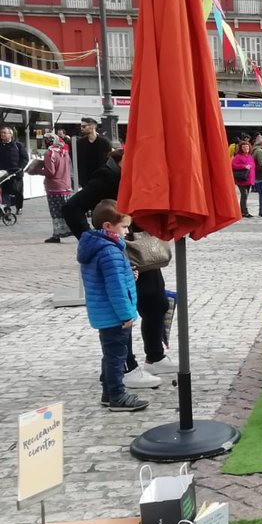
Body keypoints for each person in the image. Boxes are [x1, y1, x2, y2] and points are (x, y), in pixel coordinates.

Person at [64, 150, 173, 384]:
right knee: (125, 312)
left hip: (144, 249)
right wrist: (96, 240)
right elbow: (71, 208)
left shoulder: (138, 177)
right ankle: (127, 367)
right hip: (122, 252)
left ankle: (155, 356)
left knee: (157, 302)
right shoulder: (107, 177)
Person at [77, 199, 149, 412]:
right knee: (117, 355)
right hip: (115, 315)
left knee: (110, 353)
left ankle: (108, 392)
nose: (127, 231)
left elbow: (110, 279)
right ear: (108, 226)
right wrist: (127, 315)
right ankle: (117, 395)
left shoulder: (98, 246)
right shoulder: (109, 251)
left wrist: (130, 275)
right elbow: (115, 287)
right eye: (125, 226)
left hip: (104, 314)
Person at [41, 132, 73, 242]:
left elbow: (50, 172)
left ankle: (57, 234)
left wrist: (38, 170)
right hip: (66, 185)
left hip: (54, 186)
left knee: (56, 212)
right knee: (66, 210)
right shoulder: (64, 151)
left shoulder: (49, 153)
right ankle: (72, 230)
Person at [75, 117, 112, 187]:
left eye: (84, 126)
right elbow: (78, 161)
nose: (81, 129)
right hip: (85, 180)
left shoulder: (104, 142)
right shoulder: (80, 143)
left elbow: (108, 161)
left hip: (101, 179)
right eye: (81, 127)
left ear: (93, 126)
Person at [0, 125, 29, 213]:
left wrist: (20, 168)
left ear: (10, 135)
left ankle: (19, 207)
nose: (2, 134)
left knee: (18, 192)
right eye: (1, 133)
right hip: (3, 173)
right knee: (4, 192)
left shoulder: (18, 145)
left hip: (16, 173)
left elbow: (25, 158)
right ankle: (7, 208)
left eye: (5, 133)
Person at [231, 139, 257, 218]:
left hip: (249, 179)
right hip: (242, 179)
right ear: (241, 148)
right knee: (244, 195)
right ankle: (244, 212)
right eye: (244, 147)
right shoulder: (238, 157)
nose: (246, 149)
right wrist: (243, 166)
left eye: (247, 147)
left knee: (245, 195)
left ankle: (243, 211)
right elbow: (233, 165)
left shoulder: (250, 156)